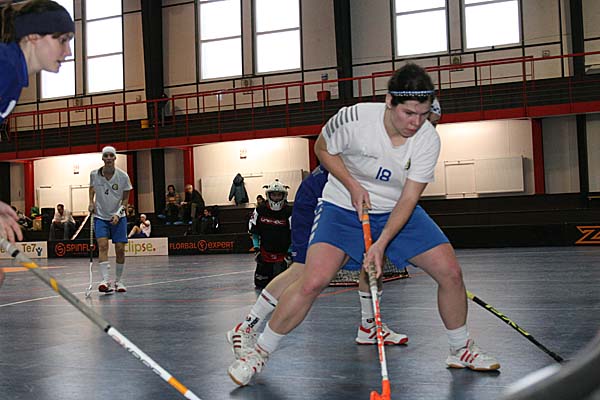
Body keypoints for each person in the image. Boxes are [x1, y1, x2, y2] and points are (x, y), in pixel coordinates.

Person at [228, 64, 499, 386]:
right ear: (390, 102)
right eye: (409, 114)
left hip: (395, 209)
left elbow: (409, 198)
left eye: (424, 114)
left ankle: (460, 348)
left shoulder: (427, 139)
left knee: (450, 272)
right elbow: (322, 148)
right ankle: (258, 352)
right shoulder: (354, 119)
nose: (416, 123)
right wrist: (353, 185)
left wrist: (380, 245)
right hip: (342, 207)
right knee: (312, 280)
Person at [226, 165, 407, 361]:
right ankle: (246, 328)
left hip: (347, 198)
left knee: (372, 256)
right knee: (302, 268)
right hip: (322, 198)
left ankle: (369, 326)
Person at [0, 0, 74, 245]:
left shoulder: (13, 75)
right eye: (62, 40)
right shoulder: (5, 67)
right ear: (33, 36)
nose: (68, 51)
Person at [88, 146, 132, 293]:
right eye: (105, 156)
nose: (108, 158)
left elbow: (125, 200)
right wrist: (91, 202)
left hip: (118, 217)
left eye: (110, 156)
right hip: (100, 216)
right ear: (102, 158)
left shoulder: (123, 176)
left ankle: (119, 281)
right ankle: (105, 281)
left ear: (114, 158)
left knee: (120, 249)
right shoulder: (94, 174)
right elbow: (91, 188)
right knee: (102, 246)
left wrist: (118, 214)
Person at [248, 180, 292, 289]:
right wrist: (256, 249)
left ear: (284, 196)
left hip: (283, 255)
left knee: (281, 285)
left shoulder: (290, 211)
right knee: (260, 284)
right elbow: (254, 231)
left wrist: (290, 253)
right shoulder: (260, 210)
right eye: (273, 195)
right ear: (268, 195)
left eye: (279, 195)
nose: (276, 198)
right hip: (264, 254)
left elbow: (294, 234)